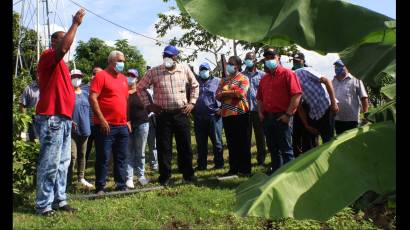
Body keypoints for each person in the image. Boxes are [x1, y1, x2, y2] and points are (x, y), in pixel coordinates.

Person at [34, 8, 85, 216]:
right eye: (64, 40)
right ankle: (43, 205)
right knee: (51, 162)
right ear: (54, 42)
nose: (69, 43)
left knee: (63, 163)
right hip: (51, 117)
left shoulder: (61, 65)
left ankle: (59, 200)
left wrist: (69, 117)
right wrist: (75, 24)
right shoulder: (48, 57)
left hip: (63, 119)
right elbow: (64, 48)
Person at [135, 45, 199, 186]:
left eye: (170, 56)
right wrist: (149, 105)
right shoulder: (154, 71)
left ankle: (188, 175)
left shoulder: (184, 69)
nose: (167, 58)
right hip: (163, 115)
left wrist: (192, 103)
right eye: (165, 55)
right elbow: (139, 88)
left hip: (181, 113)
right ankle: (165, 177)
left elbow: (195, 85)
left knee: (185, 146)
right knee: (164, 147)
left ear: (176, 57)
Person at [89, 51, 129, 194]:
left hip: (122, 125)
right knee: (103, 157)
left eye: (123, 61)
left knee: (122, 157)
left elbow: (124, 101)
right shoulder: (101, 76)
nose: (122, 63)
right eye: (120, 60)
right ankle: (100, 187)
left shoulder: (124, 78)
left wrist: (127, 121)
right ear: (111, 61)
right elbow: (92, 98)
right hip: (106, 125)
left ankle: (121, 184)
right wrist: (101, 120)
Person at [256, 49, 302, 174]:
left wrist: (288, 114)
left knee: (286, 149)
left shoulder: (288, 74)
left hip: (282, 117)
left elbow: (296, 95)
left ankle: (289, 176)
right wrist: (260, 113)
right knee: (273, 149)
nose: (269, 60)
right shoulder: (264, 78)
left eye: (272, 57)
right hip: (268, 118)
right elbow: (259, 98)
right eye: (267, 58)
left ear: (278, 57)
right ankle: (277, 174)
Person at [292, 52, 339, 152]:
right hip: (314, 112)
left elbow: (327, 81)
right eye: (294, 61)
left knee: (328, 140)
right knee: (309, 140)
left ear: (303, 62)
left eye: (298, 61)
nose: (296, 63)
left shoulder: (306, 71)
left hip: (326, 106)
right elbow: (299, 106)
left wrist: (333, 103)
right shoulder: (292, 79)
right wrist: (307, 125)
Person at [216, 56, 251, 177]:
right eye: (228, 63)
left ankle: (245, 169)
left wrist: (225, 93)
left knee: (243, 142)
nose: (229, 65)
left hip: (241, 114)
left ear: (238, 65)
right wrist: (232, 92)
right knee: (231, 143)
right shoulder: (224, 80)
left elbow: (241, 93)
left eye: (231, 63)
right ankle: (233, 168)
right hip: (226, 114)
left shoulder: (244, 78)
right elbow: (217, 95)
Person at [193, 62, 224, 171]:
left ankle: (219, 164)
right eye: (201, 69)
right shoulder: (195, 82)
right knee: (201, 143)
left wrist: (221, 108)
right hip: (199, 117)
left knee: (217, 142)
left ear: (209, 70)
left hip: (214, 116)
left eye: (205, 69)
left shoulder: (218, 81)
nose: (203, 72)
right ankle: (202, 165)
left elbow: (225, 96)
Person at [67, 69, 93, 189]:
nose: (76, 79)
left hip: (85, 129)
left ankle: (81, 177)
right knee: (72, 156)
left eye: (78, 76)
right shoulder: (67, 94)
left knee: (83, 154)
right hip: (71, 131)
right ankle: (67, 180)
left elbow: (89, 111)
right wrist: (69, 121)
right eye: (74, 76)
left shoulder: (85, 94)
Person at [125, 68, 150, 188]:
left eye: (132, 75)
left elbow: (150, 106)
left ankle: (141, 176)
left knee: (140, 151)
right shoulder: (122, 92)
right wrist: (126, 121)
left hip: (142, 124)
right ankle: (129, 178)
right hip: (127, 125)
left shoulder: (142, 92)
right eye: (128, 75)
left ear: (137, 78)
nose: (130, 77)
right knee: (128, 151)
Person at [242, 52, 267, 166]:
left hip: (258, 110)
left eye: (250, 59)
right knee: (245, 137)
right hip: (245, 110)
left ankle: (261, 159)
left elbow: (265, 93)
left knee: (260, 135)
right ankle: (246, 159)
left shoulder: (262, 75)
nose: (248, 61)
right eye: (247, 59)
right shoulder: (241, 75)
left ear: (255, 60)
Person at [332, 59, 369, 134]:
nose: (336, 68)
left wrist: (366, 115)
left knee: (353, 142)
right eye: (335, 66)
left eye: (339, 66)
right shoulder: (333, 81)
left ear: (347, 67)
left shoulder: (355, 79)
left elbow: (364, 97)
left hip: (352, 119)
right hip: (338, 119)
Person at [85, 67, 103, 163]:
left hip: (100, 123)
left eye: (99, 74)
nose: (96, 76)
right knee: (85, 150)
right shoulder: (84, 88)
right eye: (94, 73)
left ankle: (99, 171)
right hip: (87, 124)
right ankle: (82, 172)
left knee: (101, 150)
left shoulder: (104, 88)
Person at [19, 70, 40, 141]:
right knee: (34, 141)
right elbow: (22, 105)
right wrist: (25, 121)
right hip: (33, 120)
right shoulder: (29, 88)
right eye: (38, 72)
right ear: (35, 74)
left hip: (47, 120)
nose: (39, 75)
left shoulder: (48, 87)